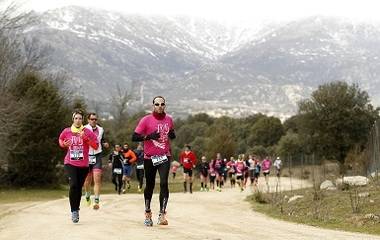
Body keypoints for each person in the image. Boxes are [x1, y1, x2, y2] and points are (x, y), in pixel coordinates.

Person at [132, 96, 176, 226]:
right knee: (150, 185)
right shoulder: (146, 120)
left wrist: (172, 135)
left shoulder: (169, 119)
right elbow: (134, 136)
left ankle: (162, 214)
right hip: (149, 158)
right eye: (157, 104)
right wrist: (148, 136)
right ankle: (147, 212)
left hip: (164, 156)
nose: (160, 106)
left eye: (162, 104)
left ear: (165, 106)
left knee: (163, 183)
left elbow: (172, 132)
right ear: (153, 106)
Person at [59, 109, 99, 223]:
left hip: (84, 165)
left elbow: (96, 146)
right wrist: (63, 144)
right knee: (74, 185)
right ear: (73, 119)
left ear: (83, 120)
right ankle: (74, 211)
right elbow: (61, 139)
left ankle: (76, 208)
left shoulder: (88, 131)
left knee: (78, 188)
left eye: (80, 118)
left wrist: (85, 138)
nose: (78, 120)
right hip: (70, 163)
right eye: (76, 118)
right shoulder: (67, 131)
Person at [83, 112, 109, 210]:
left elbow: (102, 140)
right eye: (92, 119)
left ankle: (96, 201)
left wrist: (105, 143)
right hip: (87, 156)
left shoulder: (101, 129)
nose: (94, 121)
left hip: (97, 155)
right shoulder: (84, 128)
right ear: (88, 120)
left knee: (97, 179)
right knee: (87, 180)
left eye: (95, 119)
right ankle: (87, 195)